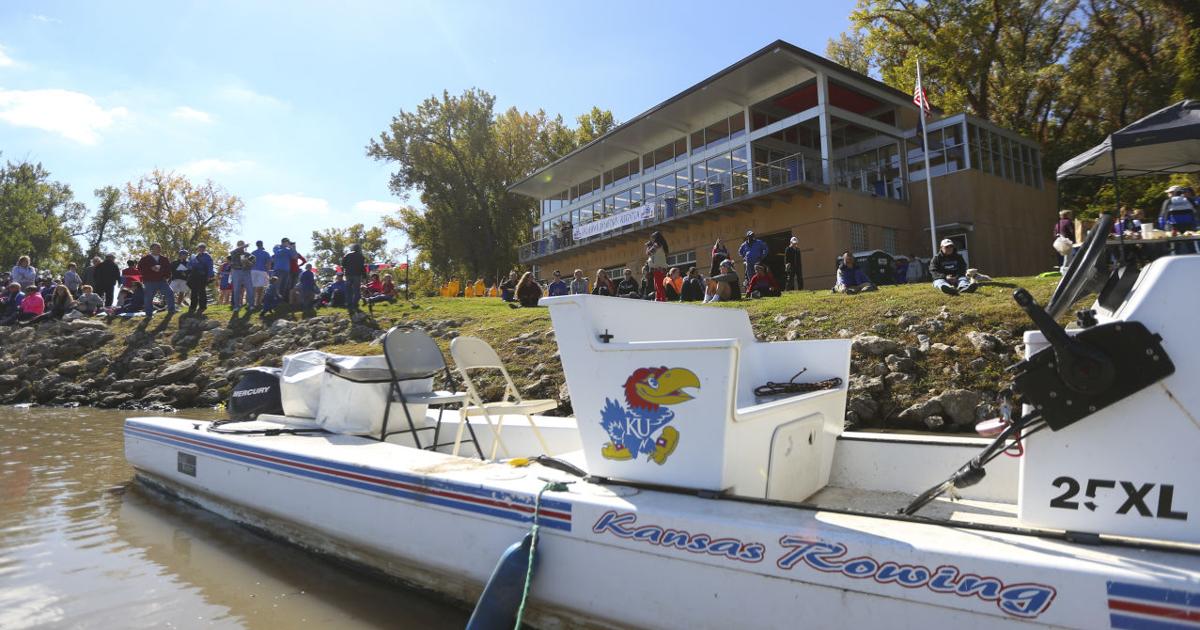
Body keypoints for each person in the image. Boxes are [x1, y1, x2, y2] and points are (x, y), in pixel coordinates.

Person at [138, 243, 175, 317]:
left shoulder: (164, 259)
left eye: (159, 247)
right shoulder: (145, 259)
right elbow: (139, 268)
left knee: (170, 293)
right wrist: (150, 268)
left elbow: (168, 269)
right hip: (149, 281)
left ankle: (171, 311)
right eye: (157, 247)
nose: (159, 249)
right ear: (152, 249)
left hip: (162, 281)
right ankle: (149, 314)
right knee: (148, 298)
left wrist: (166, 276)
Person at [187, 243, 214, 314]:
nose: (201, 249)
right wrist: (192, 266)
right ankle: (193, 306)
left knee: (202, 291)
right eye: (200, 247)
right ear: (198, 248)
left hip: (202, 276)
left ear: (205, 249)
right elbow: (189, 265)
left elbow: (210, 267)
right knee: (194, 291)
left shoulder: (207, 257)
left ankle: (202, 306)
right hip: (194, 276)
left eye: (203, 248)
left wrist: (209, 276)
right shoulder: (193, 256)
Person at [229, 240, 255, 312]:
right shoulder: (234, 253)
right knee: (236, 289)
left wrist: (248, 262)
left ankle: (251, 305)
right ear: (238, 246)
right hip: (236, 272)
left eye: (242, 245)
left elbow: (253, 262)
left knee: (250, 289)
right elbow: (232, 253)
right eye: (239, 245)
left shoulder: (248, 254)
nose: (241, 246)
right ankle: (236, 306)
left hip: (246, 272)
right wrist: (242, 247)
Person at [341, 243, 366, 313]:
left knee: (348, 290)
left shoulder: (347, 255)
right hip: (357, 275)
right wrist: (364, 276)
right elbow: (362, 267)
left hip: (348, 275)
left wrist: (344, 272)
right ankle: (355, 304)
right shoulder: (361, 256)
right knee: (356, 290)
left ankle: (349, 305)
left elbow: (343, 265)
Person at [645, 231, 669, 301]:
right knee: (658, 286)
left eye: (653, 238)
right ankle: (658, 299)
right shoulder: (663, 245)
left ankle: (662, 299)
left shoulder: (657, 245)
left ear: (656, 238)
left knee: (659, 286)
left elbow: (648, 253)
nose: (652, 240)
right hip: (661, 268)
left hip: (658, 269)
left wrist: (648, 246)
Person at [250, 240, 271, 305]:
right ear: (262, 244)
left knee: (253, 287)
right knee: (261, 288)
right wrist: (268, 272)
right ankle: (258, 302)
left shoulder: (253, 252)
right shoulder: (266, 253)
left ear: (256, 245)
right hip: (262, 271)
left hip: (253, 271)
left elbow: (250, 263)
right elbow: (268, 263)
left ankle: (251, 302)